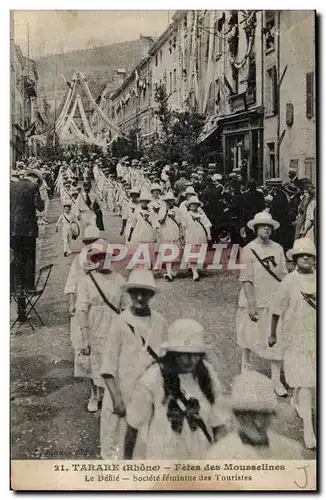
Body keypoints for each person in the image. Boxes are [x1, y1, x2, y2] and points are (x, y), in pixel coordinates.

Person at [125, 318, 228, 459]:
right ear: (173, 353)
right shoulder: (153, 377)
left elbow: (219, 422)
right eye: (184, 354)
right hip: (163, 457)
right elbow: (133, 424)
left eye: (195, 354)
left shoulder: (207, 374)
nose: (190, 360)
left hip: (200, 456)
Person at [100, 269, 168, 459]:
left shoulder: (160, 322)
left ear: (152, 295)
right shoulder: (120, 322)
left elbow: (165, 361)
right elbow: (108, 366)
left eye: (145, 292)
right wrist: (117, 399)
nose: (140, 297)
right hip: (122, 394)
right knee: (117, 449)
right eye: (135, 292)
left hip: (148, 397)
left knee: (143, 449)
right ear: (129, 293)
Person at [269, 238, 316, 449]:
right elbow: (276, 310)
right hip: (294, 337)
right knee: (305, 381)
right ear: (295, 259)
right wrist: (272, 334)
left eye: (310, 255)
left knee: (307, 380)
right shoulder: (288, 281)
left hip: (316, 336)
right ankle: (309, 427)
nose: (306, 258)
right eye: (302, 255)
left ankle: (296, 401)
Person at [236, 212, 288, 396]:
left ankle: (276, 379)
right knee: (248, 334)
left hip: (273, 300)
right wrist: (251, 304)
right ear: (256, 228)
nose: (266, 228)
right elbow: (246, 279)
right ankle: (245, 366)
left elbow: (284, 275)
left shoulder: (278, 248)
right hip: (255, 299)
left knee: (277, 338)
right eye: (262, 225)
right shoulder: (248, 249)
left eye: (269, 226)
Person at [206, 371, 303, 459]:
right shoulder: (218, 455)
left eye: (264, 414)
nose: (258, 422)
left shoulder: (290, 451)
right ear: (237, 416)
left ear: (272, 415)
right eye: (250, 415)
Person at [76, 241, 126, 413]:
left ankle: (112, 396)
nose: (103, 261)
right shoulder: (86, 281)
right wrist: (84, 336)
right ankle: (95, 395)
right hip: (94, 324)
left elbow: (125, 306)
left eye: (106, 257)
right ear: (94, 260)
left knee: (114, 361)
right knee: (94, 361)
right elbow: (80, 310)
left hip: (115, 323)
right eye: (99, 257)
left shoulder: (119, 279)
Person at [64, 226, 102, 383]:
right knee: (83, 345)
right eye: (88, 242)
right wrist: (71, 303)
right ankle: (93, 391)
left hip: (99, 307)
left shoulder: (103, 260)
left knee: (100, 346)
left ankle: (102, 387)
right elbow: (72, 283)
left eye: (94, 242)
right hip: (82, 306)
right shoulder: (78, 260)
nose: (91, 245)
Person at [10, 169, 44, 324]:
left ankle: (16, 291)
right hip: (28, 230)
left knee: (16, 261)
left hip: (12, 230)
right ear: (35, 179)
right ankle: (28, 286)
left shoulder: (12, 186)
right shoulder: (33, 187)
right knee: (29, 260)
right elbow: (40, 206)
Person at [183, 195, 212, 281]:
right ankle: (195, 272)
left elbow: (207, 225)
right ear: (189, 205)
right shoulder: (187, 214)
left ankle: (195, 269)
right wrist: (183, 236)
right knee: (192, 253)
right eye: (192, 204)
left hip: (201, 236)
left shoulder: (202, 214)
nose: (194, 206)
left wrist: (209, 235)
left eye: (195, 204)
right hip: (191, 236)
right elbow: (184, 226)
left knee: (200, 253)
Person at [157, 191, 184, 281]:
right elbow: (160, 222)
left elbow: (180, 223)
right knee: (168, 253)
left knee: (175, 254)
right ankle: (169, 273)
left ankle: (170, 271)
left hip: (175, 234)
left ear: (173, 201)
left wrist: (181, 234)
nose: (169, 202)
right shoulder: (162, 209)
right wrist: (166, 212)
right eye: (168, 201)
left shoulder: (178, 210)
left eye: (171, 201)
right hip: (166, 234)